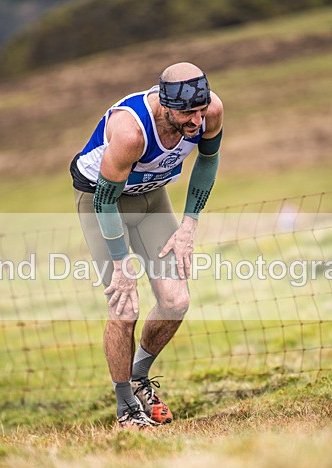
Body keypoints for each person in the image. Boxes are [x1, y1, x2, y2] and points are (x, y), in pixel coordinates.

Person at [71, 62, 224, 429]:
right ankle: (126, 409)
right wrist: (122, 264)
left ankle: (138, 379)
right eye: (187, 113)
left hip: (153, 198)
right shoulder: (130, 131)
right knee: (125, 307)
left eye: (200, 111)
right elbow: (104, 202)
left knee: (176, 301)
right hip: (103, 203)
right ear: (165, 106)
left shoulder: (210, 112)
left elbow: (208, 160)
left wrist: (189, 224)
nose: (196, 121)